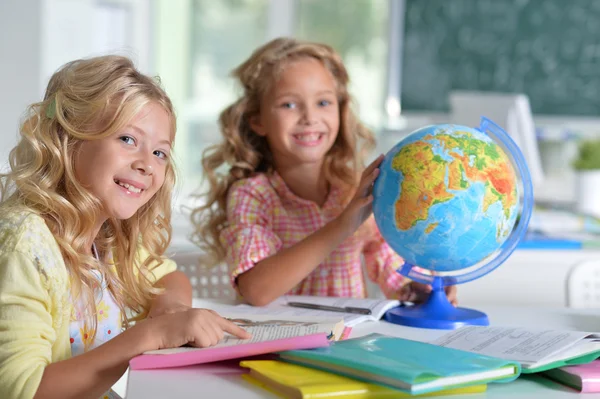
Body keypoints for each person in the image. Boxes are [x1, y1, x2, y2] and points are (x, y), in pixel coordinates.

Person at [0, 55, 250, 399]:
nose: (147, 164)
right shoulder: (24, 242)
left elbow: (167, 277)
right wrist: (149, 335)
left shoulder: (105, 238)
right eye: (128, 140)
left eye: (160, 153)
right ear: (69, 139)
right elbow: (21, 390)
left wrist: (171, 309)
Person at [191, 37, 457, 307]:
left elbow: (386, 260)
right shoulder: (253, 195)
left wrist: (414, 286)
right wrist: (343, 225)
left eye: (323, 103)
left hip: (345, 343)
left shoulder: (352, 188)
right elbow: (256, 290)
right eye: (289, 105)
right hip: (280, 344)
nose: (309, 117)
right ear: (258, 120)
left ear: (341, 111)